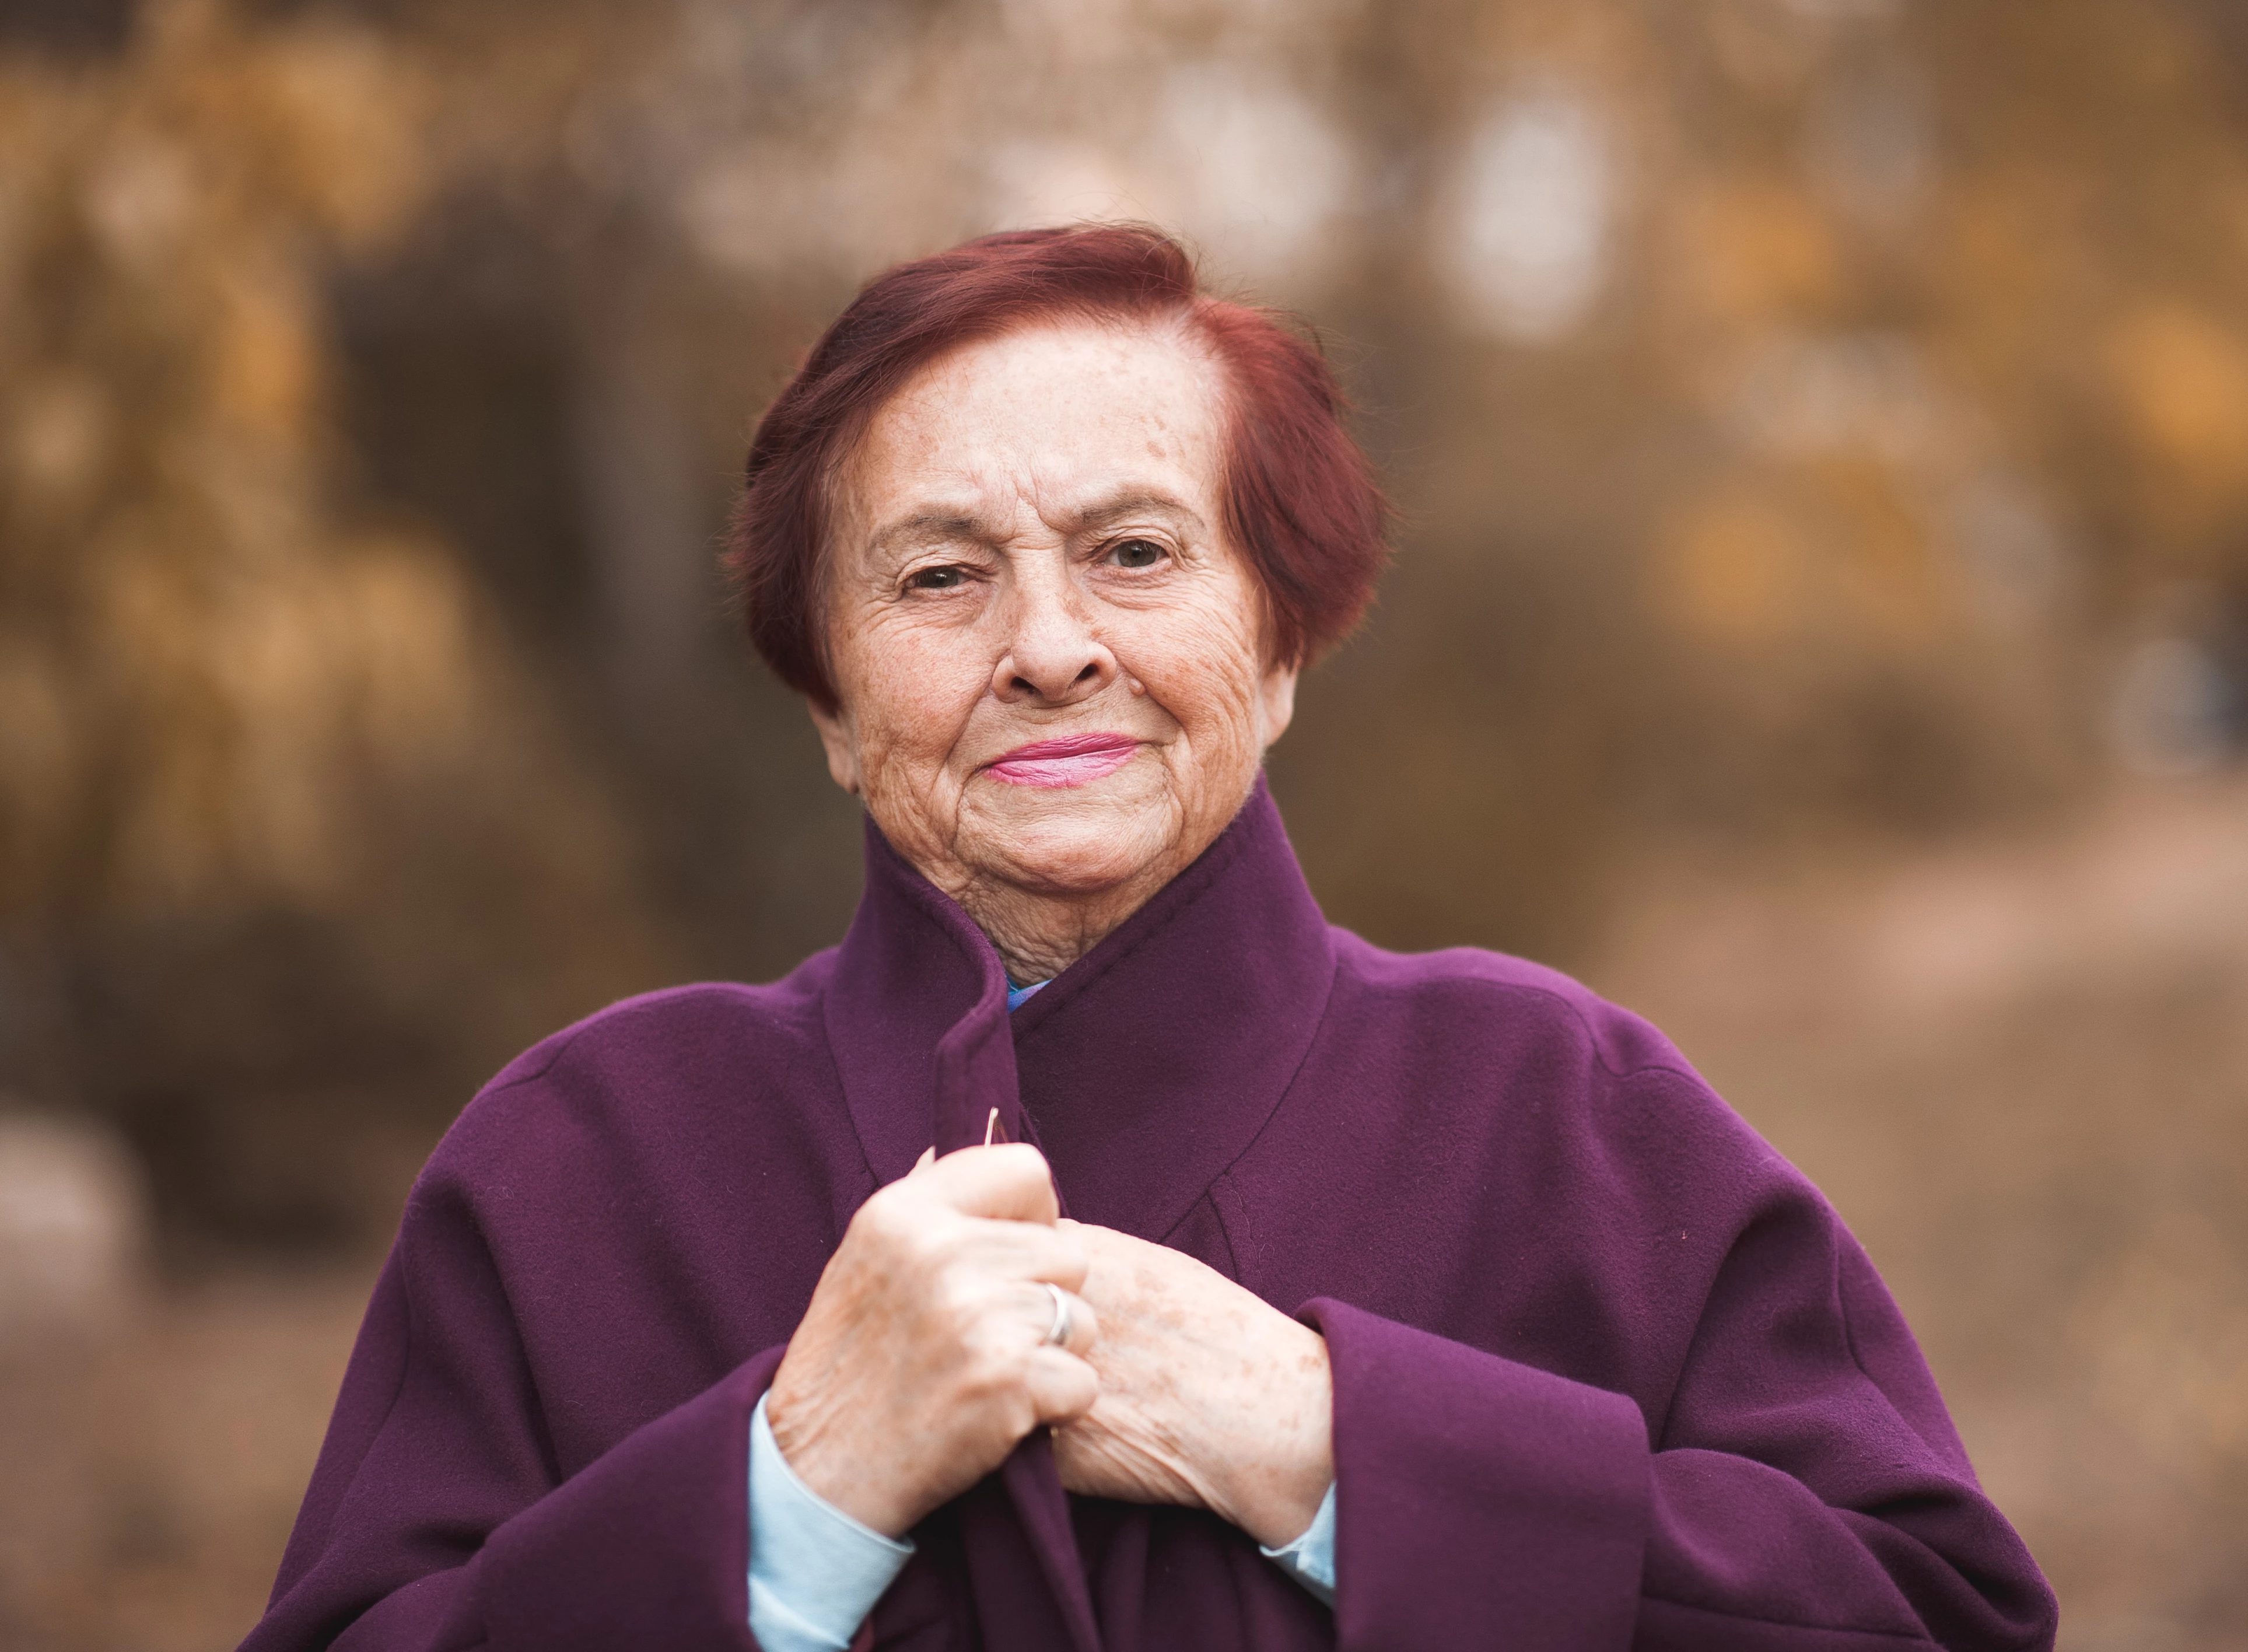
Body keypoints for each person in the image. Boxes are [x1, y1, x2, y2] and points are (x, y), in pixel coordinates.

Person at [243, 225, 2057, 1652]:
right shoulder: (585, 1162)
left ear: (1277, 656)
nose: (1048, 647)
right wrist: (782, 1505)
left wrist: (1340, 1453)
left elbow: (1934, 1618)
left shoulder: (1557, 1109)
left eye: (1133, 552)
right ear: (825, 701)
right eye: (941, 575)